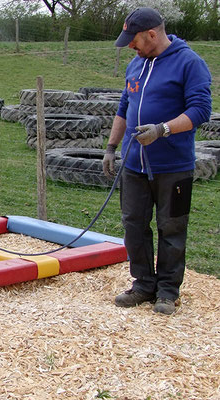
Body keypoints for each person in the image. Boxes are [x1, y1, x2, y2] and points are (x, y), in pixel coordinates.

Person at [102, 7, 212, 314]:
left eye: (134, 40)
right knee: (134, 226)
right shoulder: (135, 66)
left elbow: (200, 110)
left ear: (152, 34)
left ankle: (167, 290)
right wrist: (111, 147)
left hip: (174, 166)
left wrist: (163, 129)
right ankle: (142, 285)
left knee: (172, 227)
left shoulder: (189, 63)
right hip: (134, 164)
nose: (130, 47)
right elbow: (124, 108)